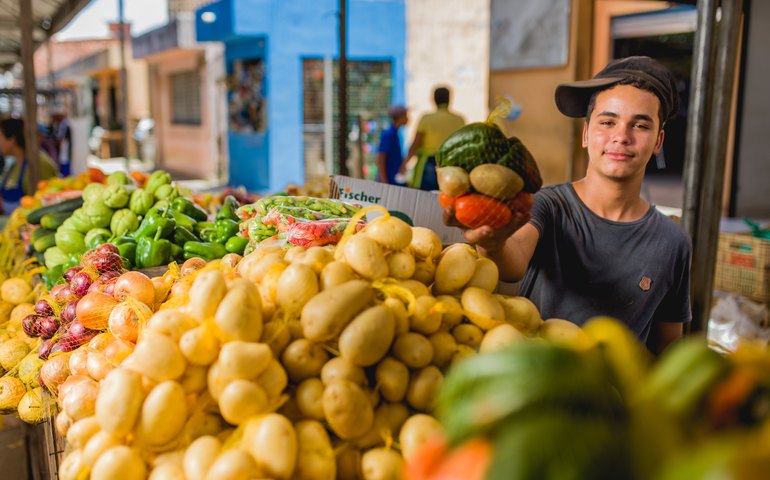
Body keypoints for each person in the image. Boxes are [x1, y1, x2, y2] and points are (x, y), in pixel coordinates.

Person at [444, 56, 691, 353]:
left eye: (639, 125)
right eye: (608, 122)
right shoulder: (551, 205)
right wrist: (494, 242)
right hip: (535, 386)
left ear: (658, 141)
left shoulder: (673, 242)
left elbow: (668, 349)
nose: (621, 137)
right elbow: (513, 260)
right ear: (586, 133)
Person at [400, 86, 465, 191]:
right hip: (453, 164)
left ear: (434, 100)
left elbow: (416, 143)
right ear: (449, 99)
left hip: (430, 165)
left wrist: (404, 165)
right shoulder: (459, 119)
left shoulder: (426, 118)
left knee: (426, 199)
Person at [0, 118, 59, 213]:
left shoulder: (39, 164)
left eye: (0, 136)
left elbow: (45, 203)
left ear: (12, 139)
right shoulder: (13, 164)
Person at [377, 105, 408, 185]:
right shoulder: (388, 135)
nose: (408, 118)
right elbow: (381, 160)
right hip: (388, 181)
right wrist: (384, 183)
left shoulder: (395, 134)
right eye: (405, 115)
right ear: (400, 117)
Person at [52, 110, 73, 177]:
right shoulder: (63, 124)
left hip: (65, 148)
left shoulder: (64, 124)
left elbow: (60, 138)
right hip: (64, 148)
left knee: (64, 162)